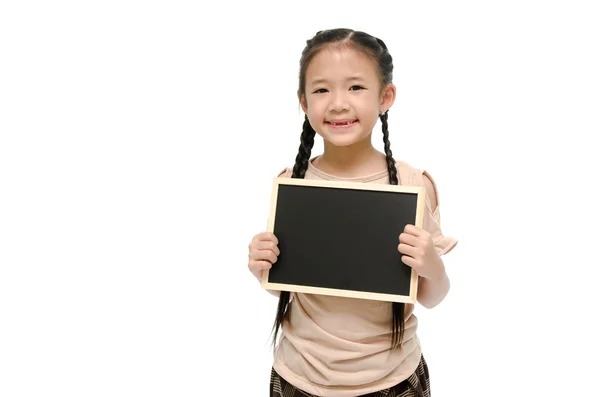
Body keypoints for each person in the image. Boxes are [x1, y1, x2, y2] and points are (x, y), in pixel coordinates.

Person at [247, 28, 458, 397]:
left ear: (385, 96)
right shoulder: (293, 182)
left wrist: (432, 265)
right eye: (322, 89)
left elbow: (431, 296)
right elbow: (297, 283)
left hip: (391, 379)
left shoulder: (411, 185)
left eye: (356, 87)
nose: (339, 103)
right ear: (303, 101)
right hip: (299, 376)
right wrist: (263, 266)